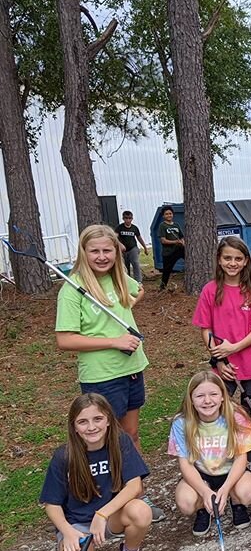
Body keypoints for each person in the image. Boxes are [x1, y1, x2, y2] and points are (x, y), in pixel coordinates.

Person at [55, 224, 164, 522]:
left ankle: (136, 494)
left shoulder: (119, 279)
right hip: (102, 376)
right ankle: (114, 501)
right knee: (105, 440)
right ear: (83, 252)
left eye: (108, 250)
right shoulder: (73, 288)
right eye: (95, 251)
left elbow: (137, 291)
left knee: (130, 435)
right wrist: (113, 341)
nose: (102, 257)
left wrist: (128, 304)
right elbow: (64, 339)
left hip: (132, 368)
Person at [40, 393, 157, 551]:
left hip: (109, 517)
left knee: (141, 510)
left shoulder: (120, 443)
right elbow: (52, 504)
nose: (92, 427)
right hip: (77, 525)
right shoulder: (64, 456)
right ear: (74, 427)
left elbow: (135, 485)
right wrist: (68, 532)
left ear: (109, 420)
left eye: (98, 419)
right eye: (83, 422)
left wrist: (102, 514)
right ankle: (86, 548)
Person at [168, 371, 251, 535]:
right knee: (186, 503)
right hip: (202, 474)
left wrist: (226, 487)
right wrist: (204, 491)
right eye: (200, 396)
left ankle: (235, 501)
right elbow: (185, 464)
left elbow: (241, 458)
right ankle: (204, 506)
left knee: (247, 493)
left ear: (223, 396)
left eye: (213, 394)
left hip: (232, 472)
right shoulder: (181, 422)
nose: (207, 401)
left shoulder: (235, 415)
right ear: (191, 399)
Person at [192, 236, 251, 415]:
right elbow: (206, 328)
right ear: (219, 259)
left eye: (238, 259)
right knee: (216, 412)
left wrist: (234, 348)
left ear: (245, 261)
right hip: (224, 366)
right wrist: (218, 358)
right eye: (227, 258)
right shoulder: (209, 290)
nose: (232, 263)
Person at [115, 210, 149, 284]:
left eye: (129, 218)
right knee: (125, 266)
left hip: (133, 248)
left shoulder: (134, 228)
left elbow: (139, 238)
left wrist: (145, 248)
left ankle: (138, 281)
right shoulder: (119, 228)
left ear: (132, 219)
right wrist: (120, 244)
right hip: (123, 250)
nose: (128, 220)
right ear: (123, 219)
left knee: (135, 263)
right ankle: (127, 281)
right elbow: (114, 237)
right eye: (126, 218)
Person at [158, 206, 185, 290]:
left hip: (179, 249)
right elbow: (163, 240)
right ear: (163, 216)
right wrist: (175, 242)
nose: (169, 215)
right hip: (168, 252)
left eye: (170, 213)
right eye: (166, 214)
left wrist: (182, 242)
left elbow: (181, 236)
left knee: (191, 260)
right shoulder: (162, 226)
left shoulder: (176, 225)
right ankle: (162, 287)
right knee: (167, 271)